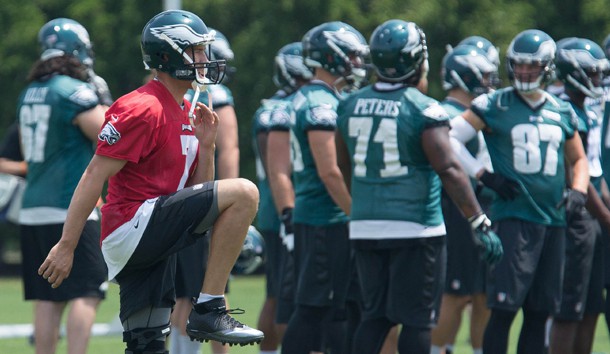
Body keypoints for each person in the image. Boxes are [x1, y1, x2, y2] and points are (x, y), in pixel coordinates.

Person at [38, 10, 264, 354]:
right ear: (169, 54)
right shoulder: (143, 107)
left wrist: (207, 147)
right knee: (245, 191)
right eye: (197, 51)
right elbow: (93, 175)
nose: (206, 59)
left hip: (151, 234)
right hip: (132, 227)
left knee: (146, 346)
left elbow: (197, 196)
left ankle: (205, 308)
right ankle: (210, 307)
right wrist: (67, 244)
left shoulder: (188, 108)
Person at [333, 19, 502, 354]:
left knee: (374, 318)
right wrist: (479, 220)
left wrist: (366, 202)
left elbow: (343, 165)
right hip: (416, 229)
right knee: (417, 321)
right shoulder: (423, 108)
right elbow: (450, 169)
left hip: (365, 226)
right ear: (414, 60)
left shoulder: (349, 104)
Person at [449, 29, 589, 354]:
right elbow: (449, 139)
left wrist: (579, 192)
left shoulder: (561, 110)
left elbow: (579, 158)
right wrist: (484, 175)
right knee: (503, 310)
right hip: (513, 219)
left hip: (552, 221)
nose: (524, 72)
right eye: (519, 65)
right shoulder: (493, 104)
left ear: (548, 67)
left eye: (532, 66)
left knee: (539, 313)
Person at [16, 18, 108, 354]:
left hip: (32, 208)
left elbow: (28, 151)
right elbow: (111, 138)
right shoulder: (74, 92)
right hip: (70, 206)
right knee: (87, 291)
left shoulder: (29, 93)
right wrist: (105, 104)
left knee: (47, 296)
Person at [279, 21, 368, 354]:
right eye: (353, 57)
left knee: (341, 307)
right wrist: (356, 215)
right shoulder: (320, 102)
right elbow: (329, 171)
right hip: (324, 218)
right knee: (314, 308)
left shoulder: (314, 96)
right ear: (332, 58)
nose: (358, 65)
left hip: (321, 216)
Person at [171, 27, 239, 354]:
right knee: (210, 294)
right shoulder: (216, 97)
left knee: (184, 294)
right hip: (200, 201)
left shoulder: (171, 96)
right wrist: (230, 203)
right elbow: (230, 148)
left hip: (174, 203)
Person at [430, 43, 499, 354]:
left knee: (483, 293)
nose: (488, 83)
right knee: (455, 293)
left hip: (481, 207)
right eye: (483, 76)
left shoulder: (473, 113)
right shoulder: (445, 113)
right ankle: (437, 348)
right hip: (457, 209)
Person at [550, 37, 610, 354]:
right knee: (570, 307)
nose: (598, 81)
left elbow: (596, 177)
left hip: (591, 218)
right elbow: (579, 178)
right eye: (594, 73)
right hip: (575, 218)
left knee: (590, 306)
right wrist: (605, 217)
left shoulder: (586, 111)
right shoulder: (564, 112)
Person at [253, 41, 313, 354]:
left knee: (282, 293)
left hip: (294, 209)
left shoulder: (301, 104)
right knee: (282, 294)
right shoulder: (274, 112)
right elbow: (278, 167)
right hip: (282, 213)